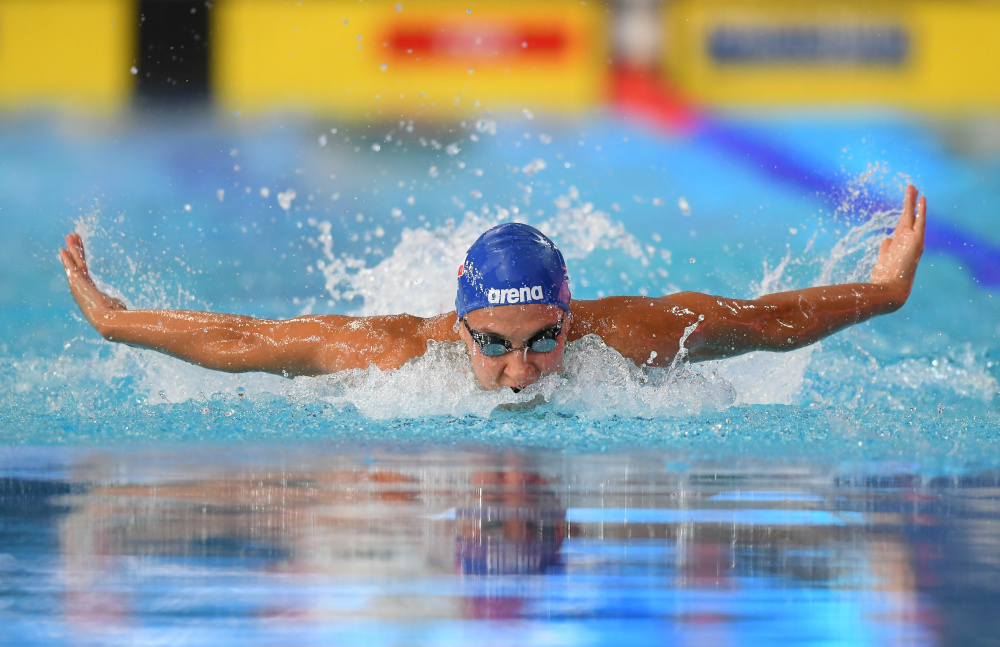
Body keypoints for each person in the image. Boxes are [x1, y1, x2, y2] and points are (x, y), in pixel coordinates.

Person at [60, 186, 927, 392]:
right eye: (496, 345)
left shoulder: (625, 336)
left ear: (570, 316)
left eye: (545, 339)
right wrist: (115, 319)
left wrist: (883, 292)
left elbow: (768, 321)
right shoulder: (399, 354)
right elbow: (249, 339)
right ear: (461, 323)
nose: (520, 374)